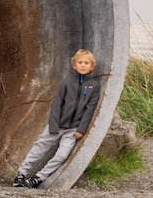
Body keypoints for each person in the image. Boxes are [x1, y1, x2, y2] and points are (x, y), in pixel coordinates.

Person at [13, 49, 100, 188]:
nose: (83, 65)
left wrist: (81, 129)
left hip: (72, 130)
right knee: (39, 148)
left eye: (86, 63)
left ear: (92, 67)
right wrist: (53, 125)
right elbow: (57, 104)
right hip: (57, 125)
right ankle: (21, 174)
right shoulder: (67, 82)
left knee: (62, 155)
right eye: (80, 62)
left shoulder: (94, 86)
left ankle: (38, 178)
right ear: (74, 65)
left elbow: (90, 109)